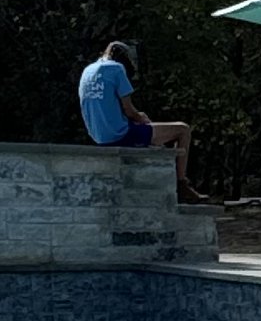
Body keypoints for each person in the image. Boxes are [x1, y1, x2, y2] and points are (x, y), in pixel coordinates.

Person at [75, 41, 208, 203]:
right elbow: (129, 110)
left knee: (154, 140)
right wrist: (141, 117)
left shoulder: (87, 72)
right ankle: (181, 184)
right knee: (183, 129)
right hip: (120, 135)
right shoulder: (116, 69)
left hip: (98, 137)